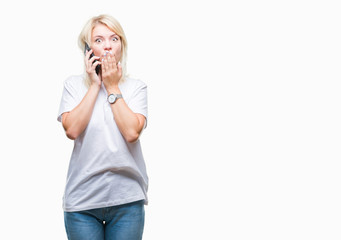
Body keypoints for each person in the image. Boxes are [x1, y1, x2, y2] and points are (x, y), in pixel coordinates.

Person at [57, 14, 148, 240]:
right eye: (98, 40)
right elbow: (72, 130)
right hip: (82, 203)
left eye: (114, 39)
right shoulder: (73, 85)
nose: (107, 45)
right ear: (88, 49)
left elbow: (131, 132)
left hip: (127, 202)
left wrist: (112, 86)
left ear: (121, 46)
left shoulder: (136, 87)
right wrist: (96, 85)